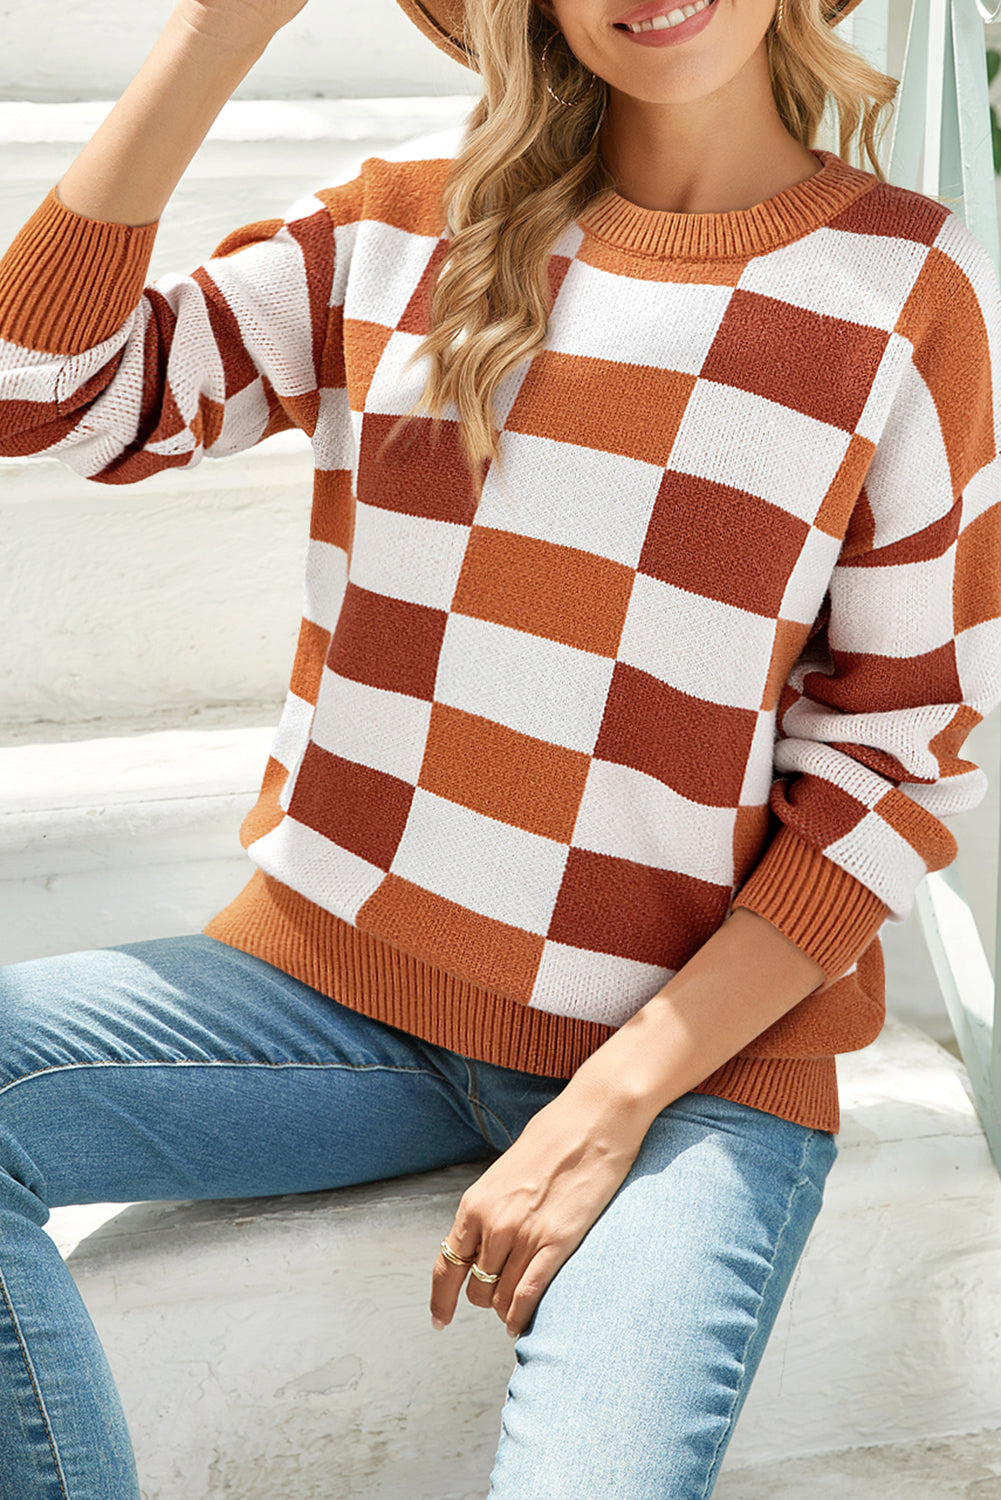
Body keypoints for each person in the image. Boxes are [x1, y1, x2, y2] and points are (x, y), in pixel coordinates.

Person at [1, 0, 999, 1495]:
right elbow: (44, 394)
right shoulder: (401, 228)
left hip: (696, 1068)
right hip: (341, 1008)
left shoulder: (902, 292)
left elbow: (898, 755)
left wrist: (613, 1103)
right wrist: (220, 30)